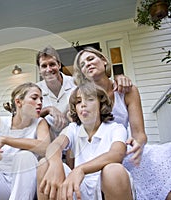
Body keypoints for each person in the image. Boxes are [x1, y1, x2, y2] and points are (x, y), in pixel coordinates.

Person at [73, 46, 171, 200]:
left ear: (104, 61)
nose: (88, 64)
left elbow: (140, 135)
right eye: (83, 65)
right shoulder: (81, 99)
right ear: (83, 74)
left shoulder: (127, 90)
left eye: (91, 59)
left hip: (124, 150)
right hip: (99, 155)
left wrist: (137, 143)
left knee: (161, 175)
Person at [35, 45, 132, 167]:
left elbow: (99, 83)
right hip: (54, 144)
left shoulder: (77, 83)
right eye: (44, 66)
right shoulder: (35, 90)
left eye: (52, 64)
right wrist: (48, 109)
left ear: (59, 65)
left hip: (78, 142)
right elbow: (29, 115)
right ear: (39, 69)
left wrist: (119, 77)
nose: (49, 69)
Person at [37, 82, 135, 200]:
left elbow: (116, 154)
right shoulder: (73, 129)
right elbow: (55, 145)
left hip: (106, 185)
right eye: (78, 102)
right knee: (45, 164)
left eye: (89, 99)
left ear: (101, 104)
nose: (83, 104)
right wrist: (55, 164)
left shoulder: (115, 128)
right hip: (79, 187)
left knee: (114, 170)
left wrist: (81, 169)